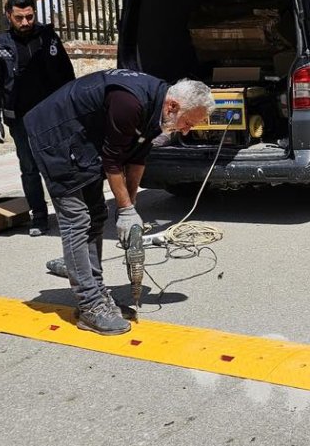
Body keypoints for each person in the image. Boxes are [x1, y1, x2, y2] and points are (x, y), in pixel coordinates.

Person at [25, 70, 214, 335]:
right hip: (55, 135)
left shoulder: (158, 108)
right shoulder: (131, 102)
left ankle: (98, 293)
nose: (187, 130)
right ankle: (90, 304)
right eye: (188, 123)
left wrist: (131, 208)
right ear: (173, 106)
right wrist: (124, 209)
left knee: (97, 214)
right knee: (77, 220)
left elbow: (137, 159)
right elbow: (112, 161)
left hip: (83, 140)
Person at [0, 0, 77, 237]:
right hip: (21, 118)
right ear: (8, 16)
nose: (25, 22)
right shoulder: (0, 44)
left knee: (59, 164)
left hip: (51, 114)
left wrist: (72, 106)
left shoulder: (48, 37)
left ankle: (68, 212)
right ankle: (39, 215)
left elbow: (67, 73)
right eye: (19, 18)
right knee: (29, 168)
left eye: (29, 16)